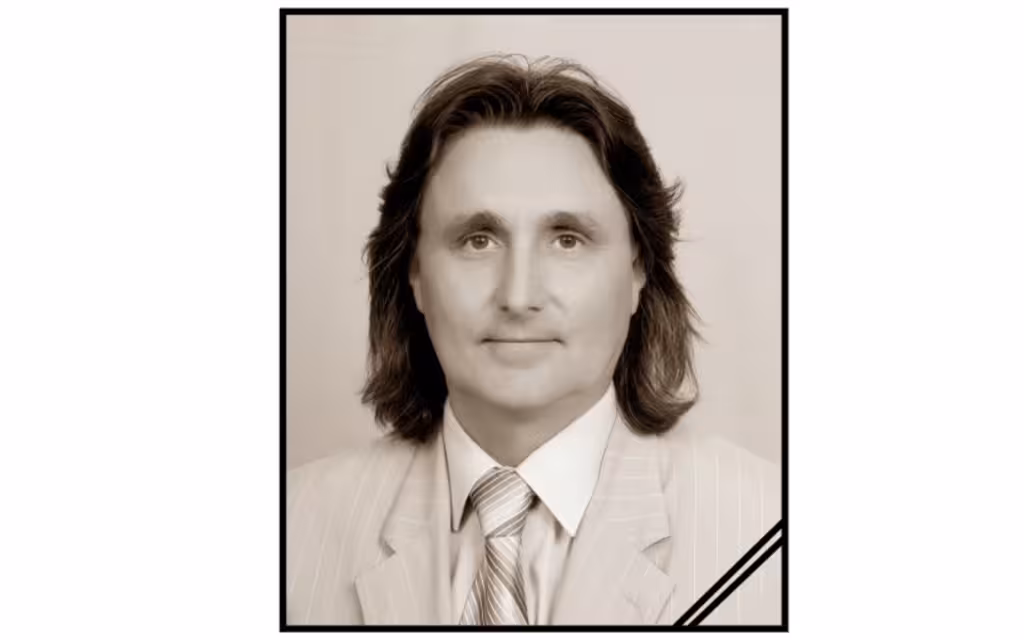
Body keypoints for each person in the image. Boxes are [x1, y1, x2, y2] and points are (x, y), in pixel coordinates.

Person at [286, 54, 781, 626]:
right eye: (478, 240)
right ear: (414, 272)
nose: (518, 296)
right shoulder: (290, 528)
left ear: (639, 269)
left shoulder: (771, 533)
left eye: (567, 239)